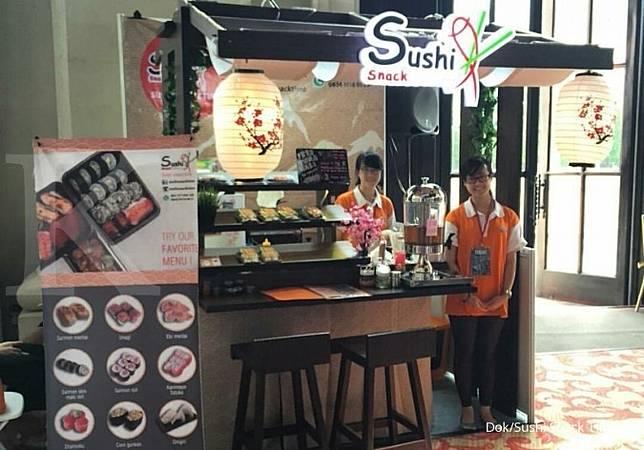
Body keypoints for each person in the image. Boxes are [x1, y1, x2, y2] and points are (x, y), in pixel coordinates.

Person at [444, 156, 526, 429]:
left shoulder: (509, 217)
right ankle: (466, 408)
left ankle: (487, 409)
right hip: (463, 297)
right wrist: (467, 291)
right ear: (465, 184)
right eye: (471, 179)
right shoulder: (455, 216)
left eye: (482, 177)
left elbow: (512, 259)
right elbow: (450, 259)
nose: (477, 183)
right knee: (464, 354)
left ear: (490, 178)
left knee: (488, 355)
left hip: (495, 298)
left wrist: (506, 293)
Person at [336, 150, 396, 230]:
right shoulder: (343, 201)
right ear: (357, 172)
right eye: (365, 170)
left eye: (375, 170)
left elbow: (392, 234)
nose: (370, 174)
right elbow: (337, 235)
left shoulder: (386, 203)